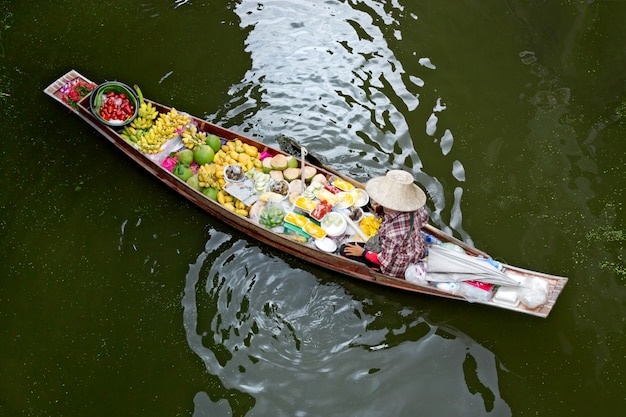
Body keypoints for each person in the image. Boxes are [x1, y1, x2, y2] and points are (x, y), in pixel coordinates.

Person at [340, 169, 429, 278]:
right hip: (416, 249)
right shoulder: (417, 208)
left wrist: (363, 252)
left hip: (395, 265)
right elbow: (424, 221)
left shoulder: (393, 234)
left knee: (344, 249)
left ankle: (376, 271)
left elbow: (384, 261)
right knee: (367, 204)